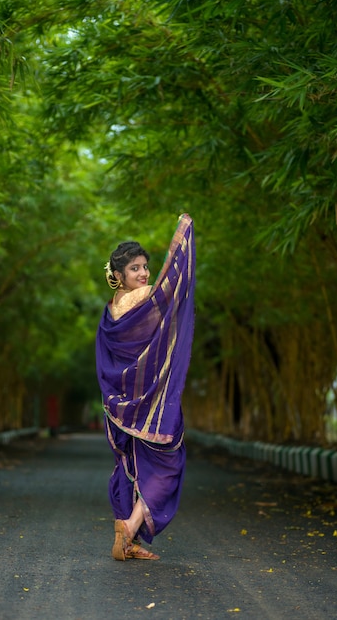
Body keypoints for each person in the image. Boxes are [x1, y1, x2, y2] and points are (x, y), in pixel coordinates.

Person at [96, 214, 195, 561]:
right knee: (169, 465)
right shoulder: (144, 302)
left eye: (145, 267)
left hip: (121, 403)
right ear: (118, 276)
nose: (144, 274)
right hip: (152, 405)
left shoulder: (111, 312)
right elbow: (174, 288)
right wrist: (183, 242)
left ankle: (127, 538)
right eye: (135, 269)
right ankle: (130, 526)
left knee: (129, 467)